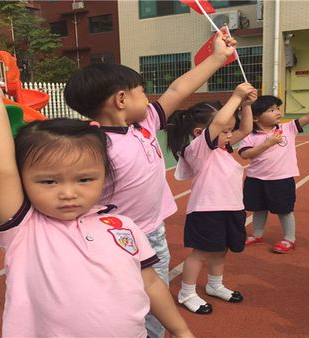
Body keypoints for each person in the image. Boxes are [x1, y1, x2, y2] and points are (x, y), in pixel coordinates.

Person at [0, 64, 195, 338]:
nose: (68, 193)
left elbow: (150, 284)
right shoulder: (24, 228)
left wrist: (181, 330)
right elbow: (0, 170)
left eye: (85, 180)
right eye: (49, 181)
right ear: (23, 181)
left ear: (104, 176)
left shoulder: (123, 226)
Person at [64, 31, 237, 337]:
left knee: (154, 301)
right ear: (121, 99)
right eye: (142, 92)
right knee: (119, 304)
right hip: (113, 243)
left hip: (151, 236)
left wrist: (218, 57)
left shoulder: (145, 124)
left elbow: (178, 89)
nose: (149, 98)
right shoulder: (93, 146)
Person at [166, 83, 257, 314]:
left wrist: (245, 105)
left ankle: (215, 285)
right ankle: (186, 292)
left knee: (221, 250)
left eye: (229, 131)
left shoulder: (221, 147)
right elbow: (217, 125)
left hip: (232, 207)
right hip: (207, 210)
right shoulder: (198, 149)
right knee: (201, 253)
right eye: (226, 132)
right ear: (199, 133)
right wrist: (235, 96)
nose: (230, 136)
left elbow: (245, 130)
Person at [239, 97, 309, 253]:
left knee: (284, 210)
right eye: (271, 110)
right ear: (256, 117)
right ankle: (257, 234)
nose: (277, 112)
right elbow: (245, 154)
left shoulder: (288, 128)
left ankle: (289, 239)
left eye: (277, 108)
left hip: (281, 180)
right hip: (256, 179)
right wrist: (267, 144)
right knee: (258, 208)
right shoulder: (250, 136)